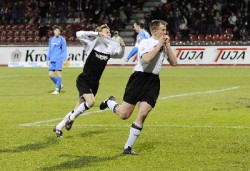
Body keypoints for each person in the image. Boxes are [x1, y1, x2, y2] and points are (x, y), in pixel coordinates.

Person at [99, 20, 177, 155]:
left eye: (165, 30)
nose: (165, 32)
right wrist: (160, 44)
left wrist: (168, 46)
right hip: (139, 79)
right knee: (124, 114)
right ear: (155, 31)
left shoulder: (163, 45)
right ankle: (109, 102)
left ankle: (127, 148)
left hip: (153, 81)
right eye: (163, 30)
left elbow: (175, 63)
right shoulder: (145, 42)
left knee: (143, 114)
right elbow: (147, 59)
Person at [53, 24, 125, 138]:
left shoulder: (109, 48)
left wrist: (122, 47)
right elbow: (79, 34)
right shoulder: (92, 44)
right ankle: (71, 119)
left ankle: (58, 127)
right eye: (107, 32)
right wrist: (97, 34)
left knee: (78, 108)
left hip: (95, 83)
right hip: (84, 79)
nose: (109, 33)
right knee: (91, 102)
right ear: (101, 33)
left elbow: (119, 56)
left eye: (109, 32)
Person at [46, 25, 67, 95]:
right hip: (52, 59)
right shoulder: (51, 39)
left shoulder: (62, 39)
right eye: (55, 30)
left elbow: (64, 50)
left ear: (60, 32)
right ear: (54, 31)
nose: (56, 32)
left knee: (58, 74)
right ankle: (60, 85)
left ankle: (57, 90)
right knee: (50, 75)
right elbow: (49, 49)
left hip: (59, 59)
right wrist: (47, 58)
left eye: (58, 31)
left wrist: (64, 59)